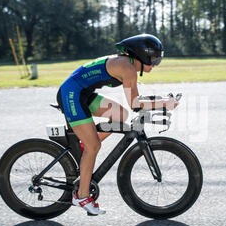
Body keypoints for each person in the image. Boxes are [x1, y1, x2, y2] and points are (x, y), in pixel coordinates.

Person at [56, 34, 179, 215]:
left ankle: (86, 143)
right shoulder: (127, 67)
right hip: (72, 94)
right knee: (94, 147)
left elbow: (135, 101)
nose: (154, 64)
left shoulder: (127, 64)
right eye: (153, 59)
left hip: (82, 92)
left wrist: (161, 100)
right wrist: (163, 103)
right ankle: (81, 196)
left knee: (120, 114)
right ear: (141, 56)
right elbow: (136, 103)